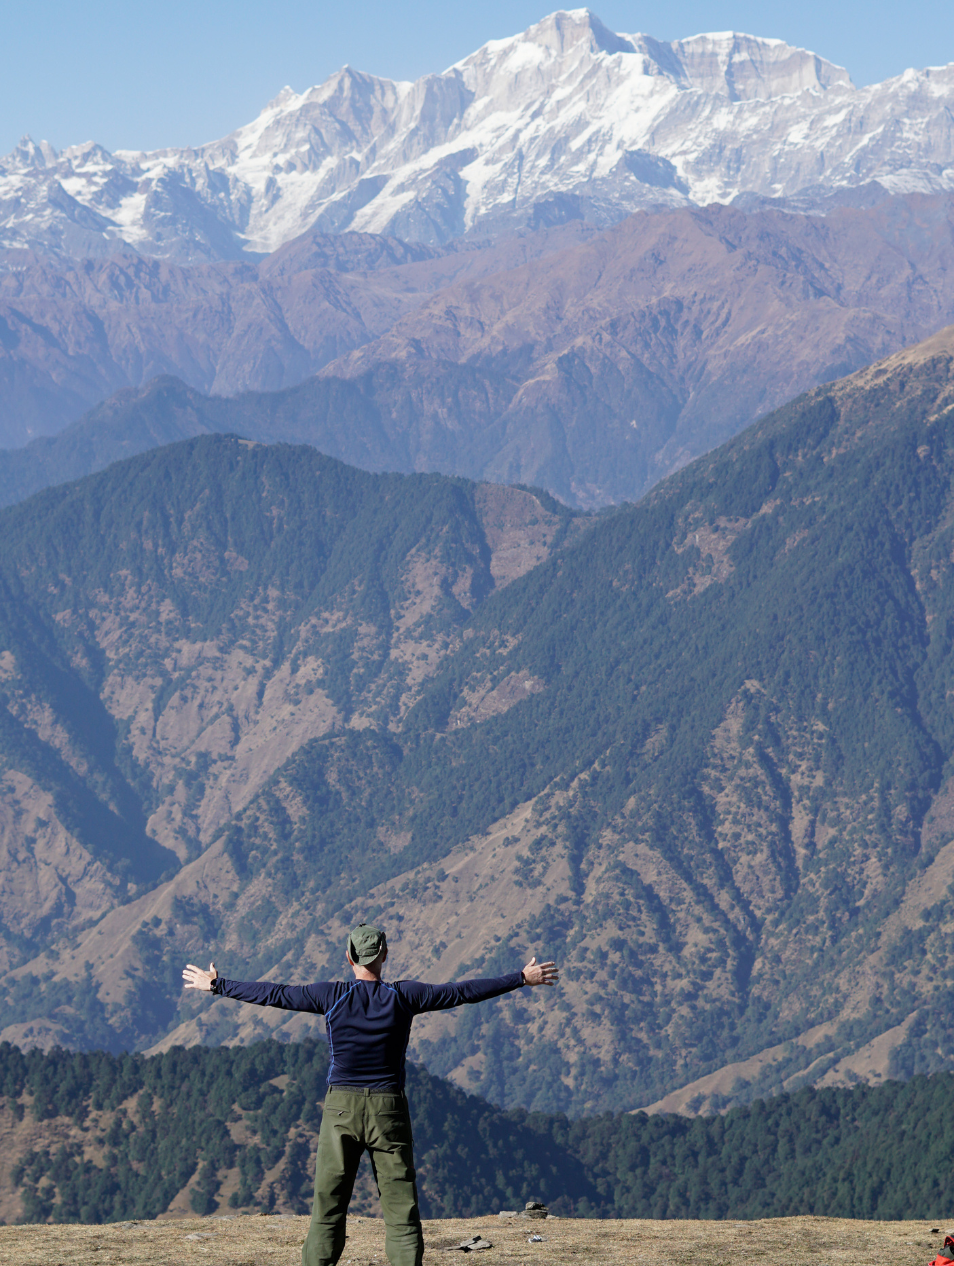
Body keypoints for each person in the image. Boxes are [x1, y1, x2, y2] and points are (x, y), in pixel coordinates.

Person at [182, 922, 558, 1266]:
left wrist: (218, 985)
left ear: (349, 957)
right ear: (384, 955)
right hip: (388, 1110)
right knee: (401, 1213)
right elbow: (461, 993)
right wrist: (520, 978)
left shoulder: (330, 996)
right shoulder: (405, 996)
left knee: (328, 1208)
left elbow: (275, 994)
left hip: (340, 1110)